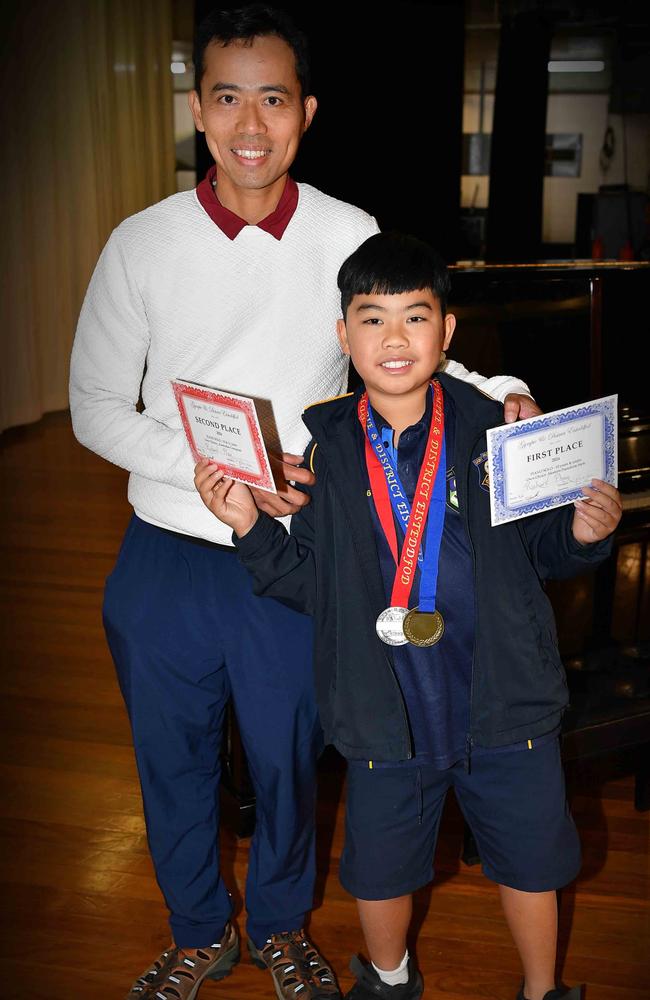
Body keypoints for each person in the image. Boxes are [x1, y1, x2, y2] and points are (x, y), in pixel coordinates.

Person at [69, 6, 541, 1000]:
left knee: (289, 756)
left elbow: (405, 351)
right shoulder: (139, 243)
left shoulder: (344, 231)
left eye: (272, 99)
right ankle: (199, 929)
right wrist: (210, 465)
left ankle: (281, 923)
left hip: (299, 551)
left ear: (305, 111)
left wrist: (498, 397)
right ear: (197, 109)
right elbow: (95, 408)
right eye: (228, 97)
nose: (250, 123)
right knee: (172, 756)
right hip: (166, 544)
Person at [194, 231, 622, 1000]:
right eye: (372, 319)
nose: (394, 339)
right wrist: (252, 529)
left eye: (415, 318)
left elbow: (543, 552)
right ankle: (388, 980)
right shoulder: (328, 449)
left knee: (531, 863)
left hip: (504, 704)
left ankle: (540, 989)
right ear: (343, 335)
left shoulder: (498, 431)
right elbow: (306, 584)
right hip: (384, 713)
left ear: (447, 332)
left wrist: (583, 535)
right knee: (380, 867)